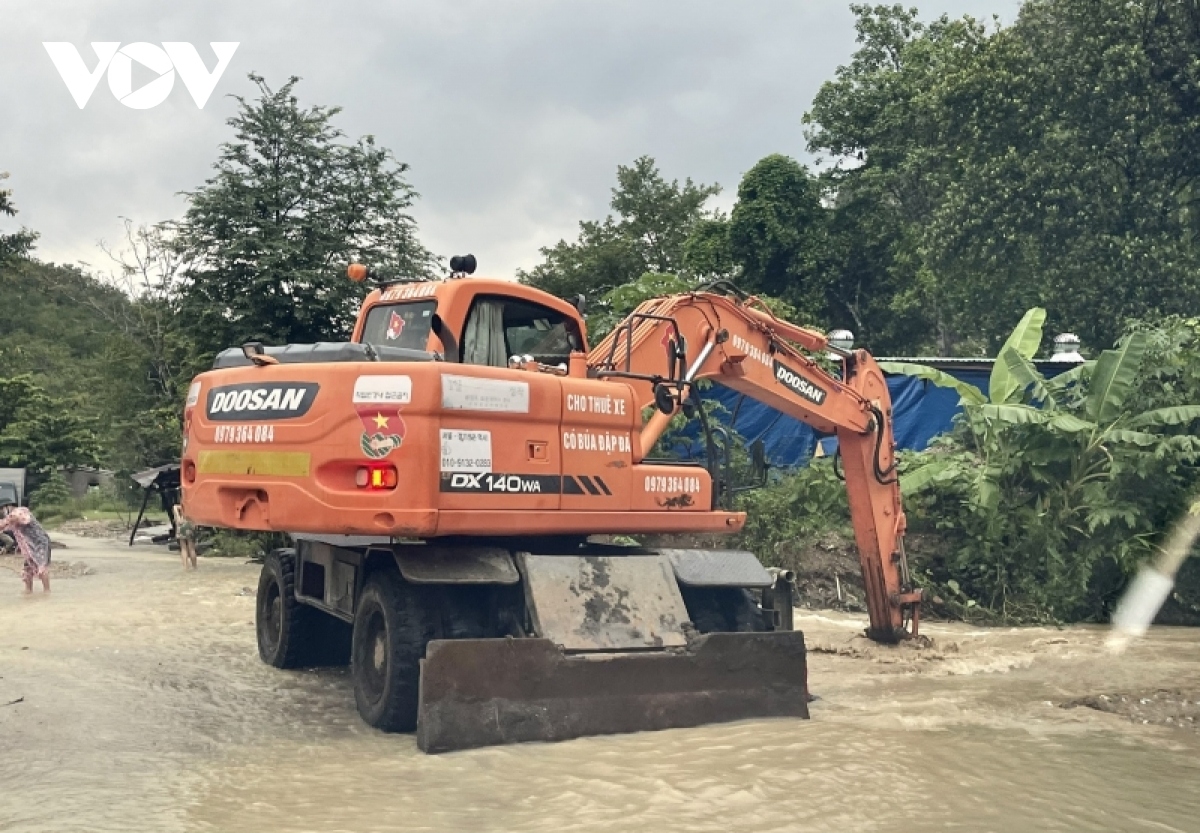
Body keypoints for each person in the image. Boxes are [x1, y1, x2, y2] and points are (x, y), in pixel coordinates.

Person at [0, 498, 51, 594]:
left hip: (40, 543)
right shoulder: (15, 515)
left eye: (1, 508)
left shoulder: (19, 512)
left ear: (8, 506)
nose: (1, 511)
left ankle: (47, 591)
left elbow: (6, 522)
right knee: (27, 567)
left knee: (41, 565)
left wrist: (5, 521)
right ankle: (28, 591)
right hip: (29, 545)